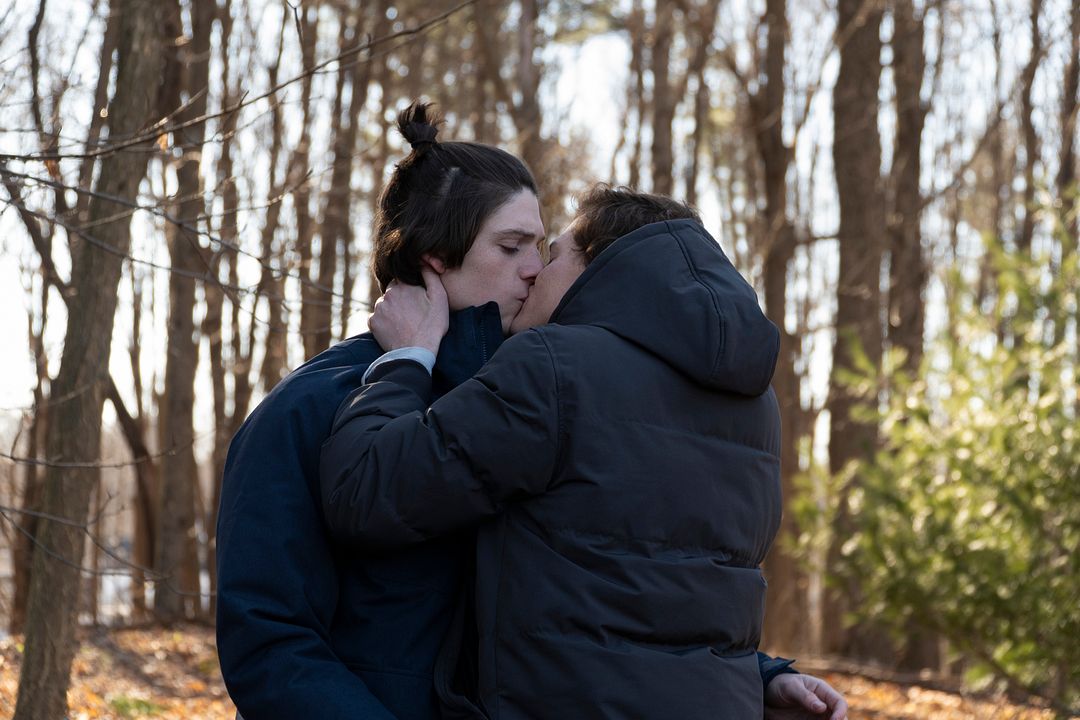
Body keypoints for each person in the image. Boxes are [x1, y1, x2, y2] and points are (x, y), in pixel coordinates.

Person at [216, 99, 845, 719]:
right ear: (434, 260)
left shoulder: (533, 400)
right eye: (512, 246)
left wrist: (757, 676)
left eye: (542, 247)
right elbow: (270, 646)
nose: (535, 270)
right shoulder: (310, 406)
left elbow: (592, 593)